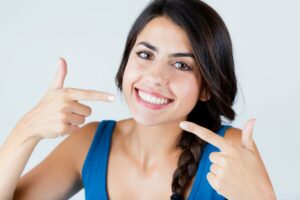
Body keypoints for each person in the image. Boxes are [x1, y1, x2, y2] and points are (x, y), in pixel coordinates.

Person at [0, 0, 277, 199]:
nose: (156, 77)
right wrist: (27, 130)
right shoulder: (89, 144)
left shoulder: (228, 152)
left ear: (208, 87)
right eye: (145, 55)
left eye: (181, 65)